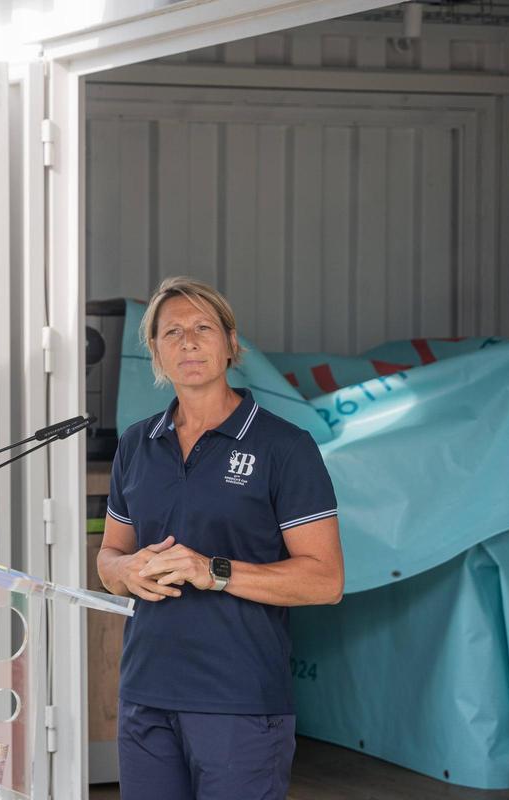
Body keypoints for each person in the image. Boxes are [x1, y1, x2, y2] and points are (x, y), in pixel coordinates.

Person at [97, 276, 344, 800]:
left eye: (203, 327)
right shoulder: (137, 445)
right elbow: (109, 556)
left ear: (232, 344)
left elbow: (325, 580)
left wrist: (213, 571)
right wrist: (122, 571)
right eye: (172, 333)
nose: (188, 342)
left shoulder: (284, 446)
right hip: (146, 695)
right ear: (156, 355)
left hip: (239, 703)